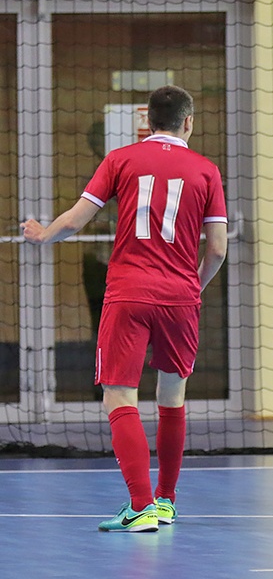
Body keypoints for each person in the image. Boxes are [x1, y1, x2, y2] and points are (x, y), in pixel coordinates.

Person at [21, 85, 228, 532]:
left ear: (147, 122)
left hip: (128, 293)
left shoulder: (120, 160)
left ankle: (140, 506)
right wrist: (193, 287)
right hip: (179, 298)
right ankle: (167, 502)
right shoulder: (207, 171)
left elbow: (76, 219)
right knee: (172, 399)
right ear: (188, 123)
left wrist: (42, 235)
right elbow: (216, 250)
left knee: (118, 394)